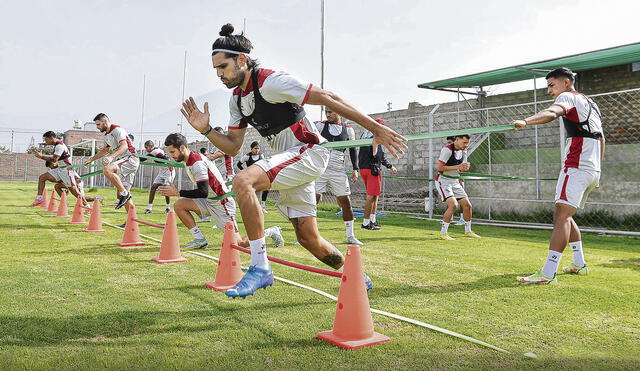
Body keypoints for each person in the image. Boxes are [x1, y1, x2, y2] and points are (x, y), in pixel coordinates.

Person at [179, 23, 406, 298]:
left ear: (241, 60)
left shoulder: (272, 82)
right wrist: (206, 130)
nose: (219, 75)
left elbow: (328, 97)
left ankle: (260, 267)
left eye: (223, 66)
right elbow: (232, 146)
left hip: (309, 152)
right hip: (288, 161)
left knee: (243, 181)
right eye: (215, 69)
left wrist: (375, 128)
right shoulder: (236, 101)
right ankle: (356, 274)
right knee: (309, 239)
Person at [512, 67, 604, 284]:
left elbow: (552, 113)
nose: (549, 91)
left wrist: (525, 121)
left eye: (551, 85)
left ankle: (548, 272)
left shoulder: (567, 97)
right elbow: (602, 138)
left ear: (566, 82)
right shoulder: (590, 102)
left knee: (560, 216)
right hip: (592, 169)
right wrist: (597, 168)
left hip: (576, 166)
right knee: (567, 215)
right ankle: (579, 264)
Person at [158, 133, 283, 250]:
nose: (171, 155)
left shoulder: (197, 163)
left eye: (173, 152)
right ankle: (199, 239)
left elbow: (202, 191)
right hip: (209, 200)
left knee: (239, 243)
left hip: (222, 203)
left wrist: (177, 192)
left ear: (182, 148)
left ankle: (272, 231)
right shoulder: (189, 160)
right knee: (179, 205)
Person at [315, 107, 362, 245]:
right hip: (321, 169)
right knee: (312, 201)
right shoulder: (320, 125)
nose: (327, 114)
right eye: (326, 112)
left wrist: (355, 169)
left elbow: (353, 150)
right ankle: (309, 235)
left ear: (338, 113)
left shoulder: (348, 129)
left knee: (345, 202)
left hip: (338, 170)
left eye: (330, 112)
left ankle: (350, 236)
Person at [84, 113, 140, 212]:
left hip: (130, 158)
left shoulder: (118, 130)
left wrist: (111, 157)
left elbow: (124, 146)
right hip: (124, 160)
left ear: (105, 122)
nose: (97, 127)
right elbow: (105, 150)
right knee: (125, 193)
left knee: (107, 170)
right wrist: (91, 159)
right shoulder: (106, 136)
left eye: (98, 125)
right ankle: (131, 222)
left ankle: (124, 194)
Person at [435, 134, 480, 240]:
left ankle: (468, 231)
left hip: (455, 181)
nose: (466, 145)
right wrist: (458, 167)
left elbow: (462, 167)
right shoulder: (447, 150)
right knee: (453, 205)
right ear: (457, 140)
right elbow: (440, 168)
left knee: (467, 205)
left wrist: (465, 167)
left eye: (467, 143)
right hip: (443, 180)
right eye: (464, 143)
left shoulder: (464, 151)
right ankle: (443, 233)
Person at [357, 118, 397, 230]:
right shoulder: (375, 137)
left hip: (364, 169)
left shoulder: (364, 135)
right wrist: (389, 166)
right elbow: (378, 155)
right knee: (371, 197)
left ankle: (372, 221)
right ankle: (365, 223)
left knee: (374, 196)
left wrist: (389, 166)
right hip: (372, 170)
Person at [30, 131, 86, 207]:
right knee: (42, 178)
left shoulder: (60, 146)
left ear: (51, 138)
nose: (45, 142)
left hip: (66, 170)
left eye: (46, 139)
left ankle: (87, 205)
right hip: (61, 169)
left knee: (74, 191)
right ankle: (39, 199)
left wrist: (41, 156)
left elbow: (54, 160)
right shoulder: (57, 146)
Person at [141, 140, 174, 214]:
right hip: (162, 171)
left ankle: (168, 208)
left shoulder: (154, 151)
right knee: (153, 187)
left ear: (150, 146)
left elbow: (143, 158)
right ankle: (149, 208)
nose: (146, 149)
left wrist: (134, 157)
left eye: (146, 147)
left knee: (166, 188)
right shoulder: (154, 150)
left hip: (169, 170)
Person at [236, 141, 269, 213]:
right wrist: (245, 171)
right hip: (251, 178)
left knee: (267, 187)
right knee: (252, 192)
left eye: (258, 148)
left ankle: (262, 206)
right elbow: (238, 164)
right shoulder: (247, 156)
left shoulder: (261, 155)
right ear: (251, 149)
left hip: (260, 176)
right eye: (255, 148)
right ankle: (250, 206)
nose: (257, 150)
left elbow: (264, 163)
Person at [446, 136, 465, 226]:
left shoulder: (460, 152)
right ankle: (450, 218)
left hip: (458, 179)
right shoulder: (447, 151)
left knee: (461, 199)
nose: (448, 144)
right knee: (449, 198)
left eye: (450, 142)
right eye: (447, 142)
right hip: (447, 179)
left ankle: (462, 218)